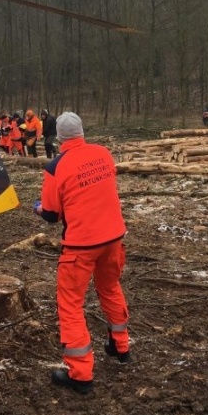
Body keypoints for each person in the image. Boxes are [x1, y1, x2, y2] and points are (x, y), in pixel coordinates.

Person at [32, 112, 130, 395]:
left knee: (71, 305)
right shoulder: (103, 153)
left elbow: (51, 214)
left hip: (81, 246)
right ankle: (120, 346)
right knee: (110, 288)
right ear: (82, 131)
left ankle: (80, 374)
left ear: (59, 137)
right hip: (113, 237)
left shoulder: (55, 167)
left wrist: (39, 208)